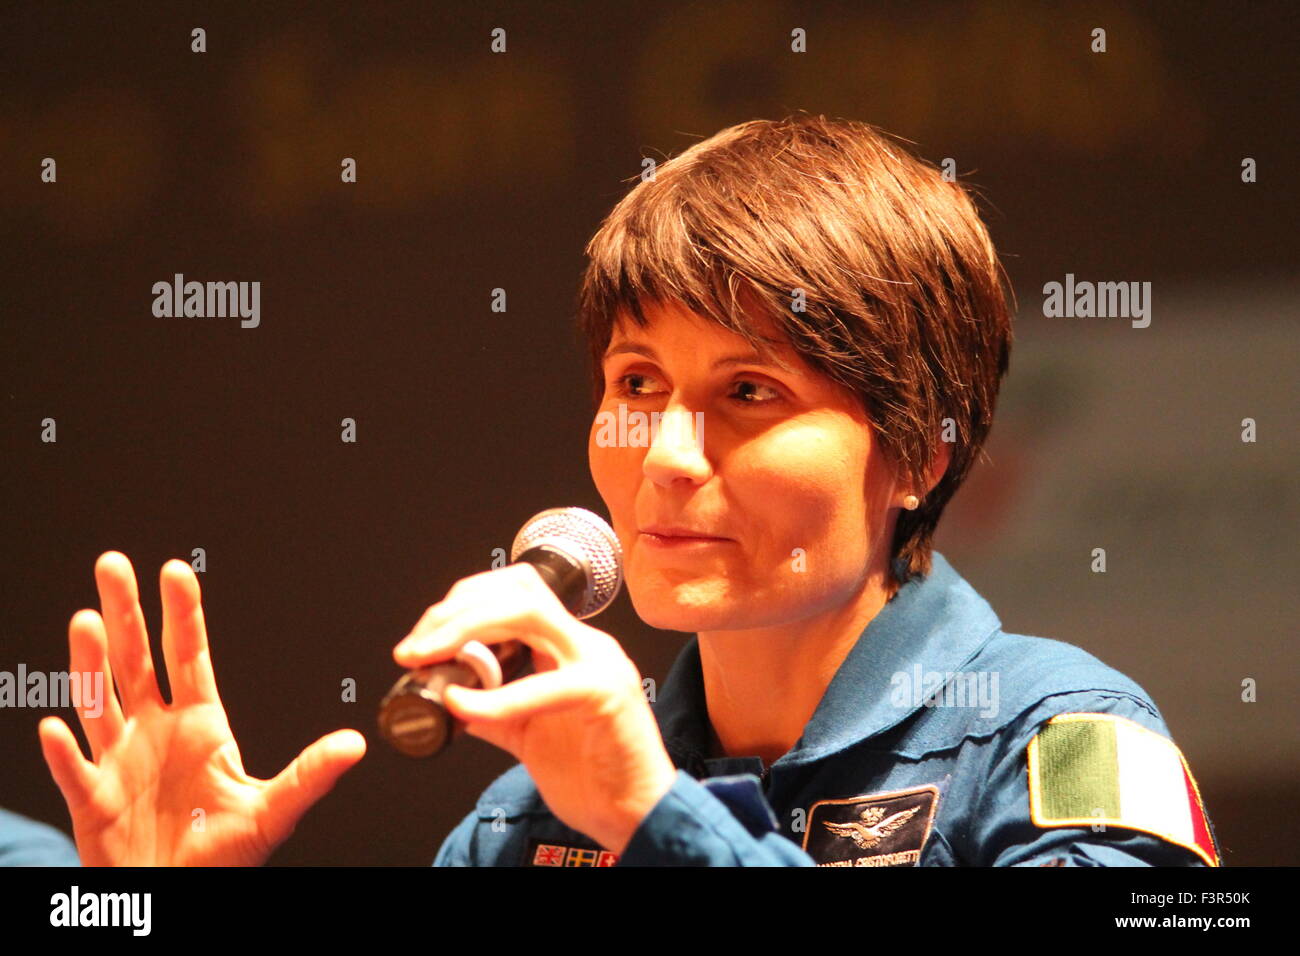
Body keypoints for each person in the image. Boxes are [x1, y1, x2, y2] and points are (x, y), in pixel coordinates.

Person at [36, 115, 1218, 867]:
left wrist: (656, 816)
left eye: (750, 392)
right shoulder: (529, 818)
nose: (665, 454)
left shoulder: (1054, 735)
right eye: (637, 379)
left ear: (920, 455)